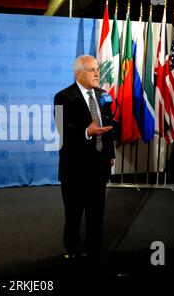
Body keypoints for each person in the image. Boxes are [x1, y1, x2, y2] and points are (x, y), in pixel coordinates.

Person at [54, 55, 115, 263]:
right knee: (74, 214)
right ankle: (72, 250)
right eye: (91, 70)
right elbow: (62, 129)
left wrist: (111, 154)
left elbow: (108, 126)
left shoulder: (103, 95)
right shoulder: (61, 97)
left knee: (96, 213)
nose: (97, 73)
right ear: (78, 74)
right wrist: (86, 131)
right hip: (74, 168)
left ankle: (95, 249)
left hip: (99, 166)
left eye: (97, 69)